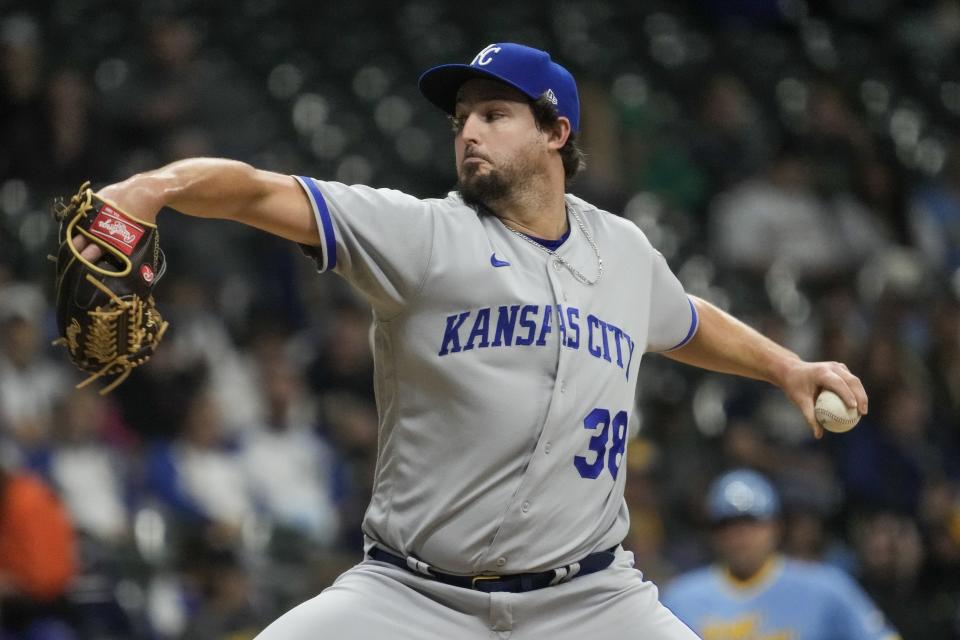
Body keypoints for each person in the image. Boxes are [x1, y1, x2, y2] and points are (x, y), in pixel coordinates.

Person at [75, 42, 869, 639]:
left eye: (494, 115)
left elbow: (687, 321)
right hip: (413, 596)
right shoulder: (421, 235)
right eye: (462, 122)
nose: (469, 135)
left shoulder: (623, 251)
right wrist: (152, 188)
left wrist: (786, 366)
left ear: (557, 131)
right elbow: (258, 190)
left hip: (590, 600)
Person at [662, 469, 900, 640]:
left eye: (751, 523)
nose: (741, 536)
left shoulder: (826, 588)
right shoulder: (679, 599)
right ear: (712, 533)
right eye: (728, 525)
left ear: (775, 527)